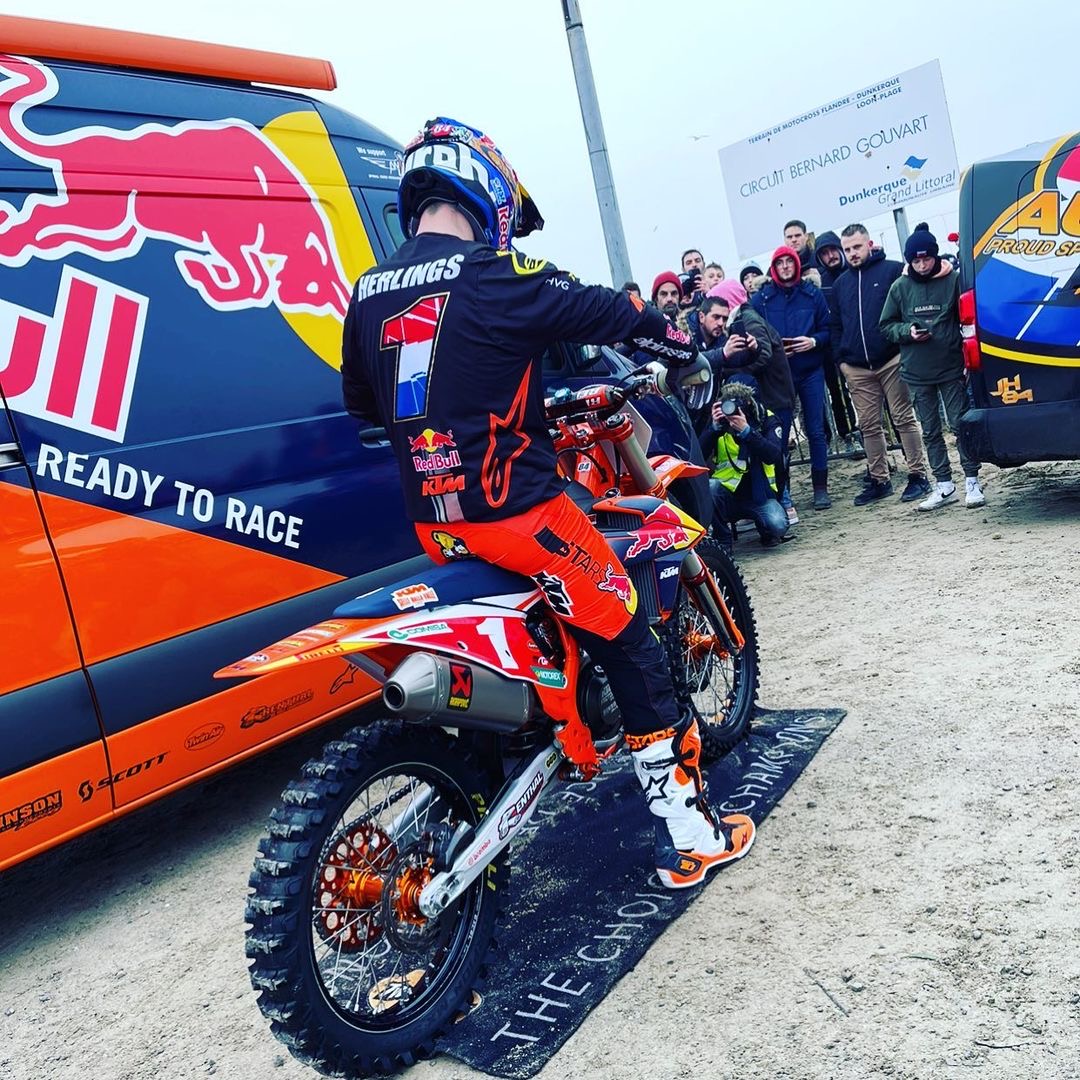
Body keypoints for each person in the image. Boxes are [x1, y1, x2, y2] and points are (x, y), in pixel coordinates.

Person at [341, 117, 753, 889]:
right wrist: (687, 352)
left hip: (438, 524)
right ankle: (691, 831)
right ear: (486, 188)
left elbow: (364, 404)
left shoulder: (366, 292)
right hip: (521, 515)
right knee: (629, 633)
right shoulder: (497, 272)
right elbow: (614, 314)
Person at [879, 223, 986, 510]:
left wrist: (967, 357)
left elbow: (967, 318)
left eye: (927, 259)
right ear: (909, 261)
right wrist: (908, 332)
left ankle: (972, 481)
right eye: (916, 261)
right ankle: (943, 484)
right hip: (916, 372)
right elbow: (886, 325)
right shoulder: (900, 287)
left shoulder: (954, 280)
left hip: (951, 368)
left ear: (935, 256)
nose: (922, 265)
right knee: (930, 431)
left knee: (960, 425)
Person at [833, 224, 931, 506]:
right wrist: (841, 361)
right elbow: (836, 324)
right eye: (847, 249)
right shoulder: (841, 284)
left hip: (891, 359)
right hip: (856, 367)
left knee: (903, 417)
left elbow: (908, 308)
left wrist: (905, 347)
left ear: (869, 244)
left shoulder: (892, 270)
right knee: (868, 425)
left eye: (857, 247)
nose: (852, 253)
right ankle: (879, 480)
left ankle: (918, 475)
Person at [751, 246, 833, 512]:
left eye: (789, 261)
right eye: (780, 262)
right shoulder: (762, 299)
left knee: (816, 430)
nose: (785, 266)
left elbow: (828, 329)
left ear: (797, 264)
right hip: (779, 375)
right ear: (773, 267)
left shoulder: (812, 294)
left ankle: (820, 487)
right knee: (780, 433)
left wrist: (813, 341)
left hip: (810, 369)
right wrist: (774, 350)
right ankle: (783, 492)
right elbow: (753, 332)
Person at [704, 380, 787, 550]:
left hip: (760, 495)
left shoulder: (765, 418)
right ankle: (723, 538)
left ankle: (765, 531)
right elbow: (698, 454)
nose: (733, 410)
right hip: (728, 494)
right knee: (710, 487)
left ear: (749, 401)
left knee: (777, 525)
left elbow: (773, 455)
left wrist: (748, 432)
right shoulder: (720, 423)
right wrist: (713, 429)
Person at [814, 230, 860, 456]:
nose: (830, 256)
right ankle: (848, 433)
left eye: (833, 250)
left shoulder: (855, 271)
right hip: (833, 347)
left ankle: (889, 435)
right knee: (839, 394)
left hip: (860, 342)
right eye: (824, 253)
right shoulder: (820, 282)